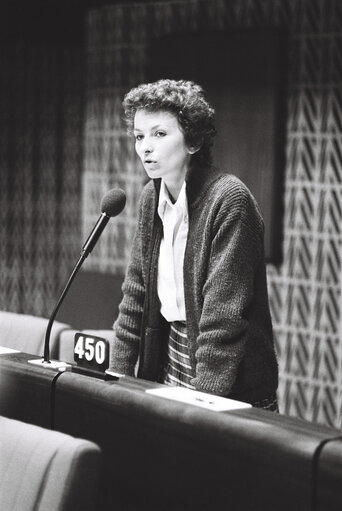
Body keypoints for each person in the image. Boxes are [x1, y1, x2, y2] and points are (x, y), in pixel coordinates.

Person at [109, 78, 278, 411]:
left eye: (159, 134)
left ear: (193, 141)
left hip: (228, 374)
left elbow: (224, 316)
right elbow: (136, 298)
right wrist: (116, 379)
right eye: (139, 136)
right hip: (169, 356)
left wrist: (205, 401)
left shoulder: (229, 199)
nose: (145, 147)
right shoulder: (150, 197)